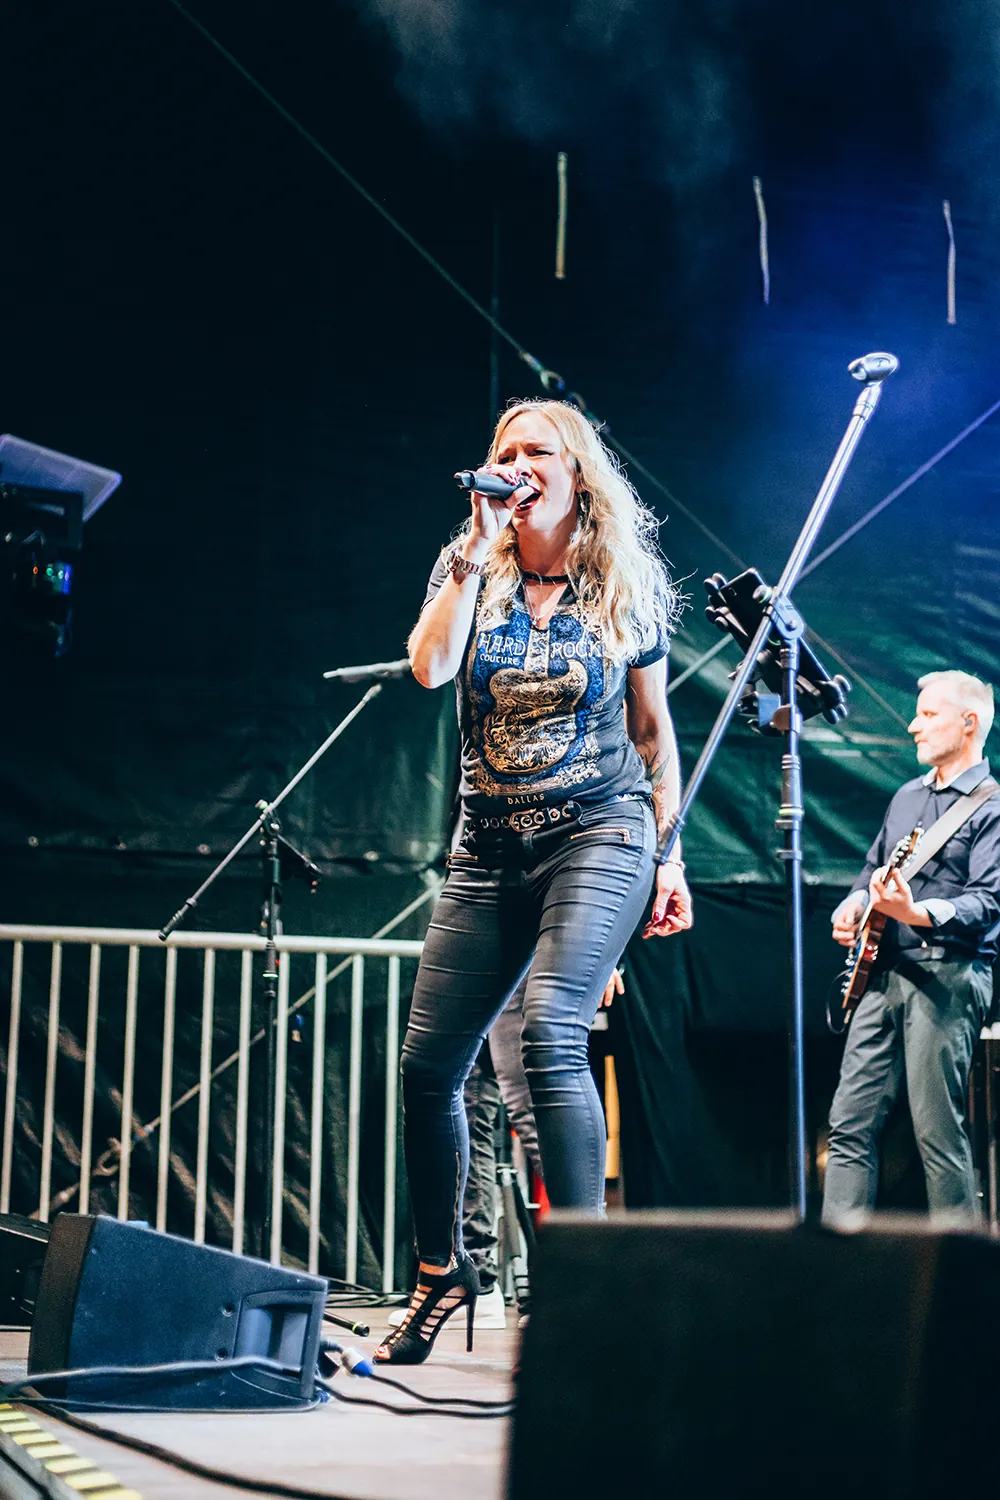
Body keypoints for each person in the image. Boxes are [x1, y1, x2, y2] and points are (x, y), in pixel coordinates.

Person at [375, 399, 692, 1364]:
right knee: (428, 1068)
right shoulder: (470, 565)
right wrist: (472, 553)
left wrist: (668, 854)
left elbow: (652, 737)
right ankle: (442, 1271)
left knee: (554, 1030)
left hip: (600, 831)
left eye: (534, 451)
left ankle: (581, 1289)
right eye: (502, 452)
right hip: (487, 844)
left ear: (575, 468)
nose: (514, 464)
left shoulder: (623, 583)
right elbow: (428, 670)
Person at [822, 670, 1000, 1224]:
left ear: (969, 724)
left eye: (928, 715)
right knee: (847, 1125)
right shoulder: (905, 796)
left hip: (947, 972)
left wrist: (917, 913)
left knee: (936, 1131)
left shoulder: (992, 805)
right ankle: (836, 1271)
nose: (912, 725)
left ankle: (960, 1283)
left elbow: (989, 901)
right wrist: (854, 902)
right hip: (882, 972)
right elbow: (874, 867)